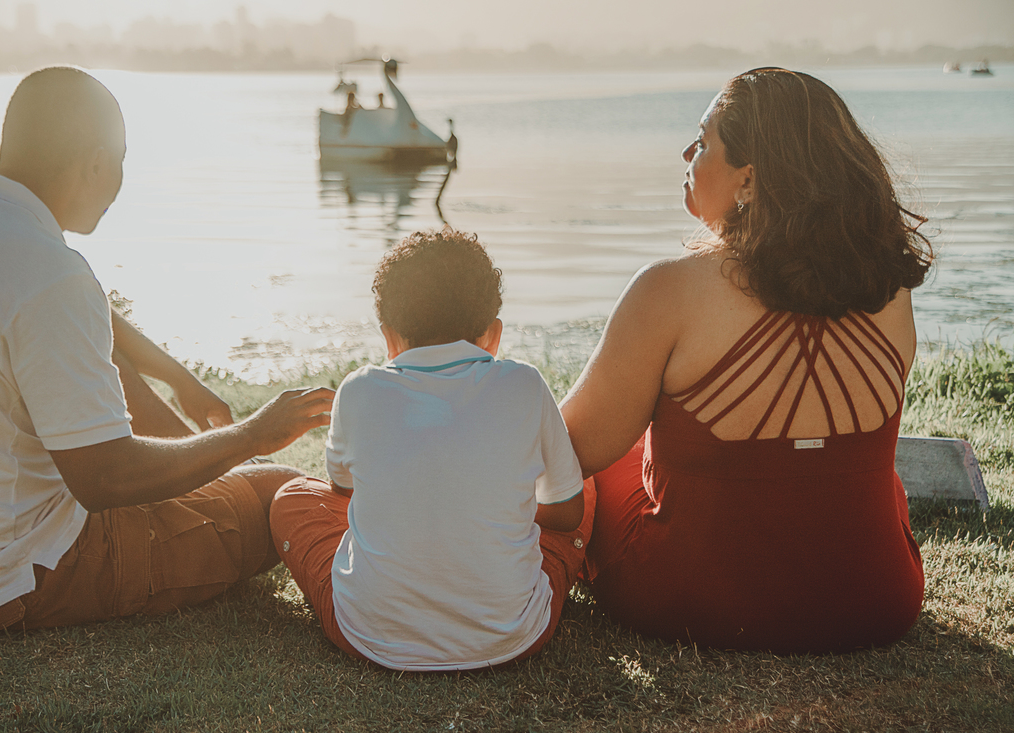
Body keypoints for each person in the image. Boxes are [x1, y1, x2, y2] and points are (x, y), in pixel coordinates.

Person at [0, 66, 334, 631]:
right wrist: (252, 434)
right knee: (281, 490)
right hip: (0, 577)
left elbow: (92, 315)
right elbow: (105, 481)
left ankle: (210, 471)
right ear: (98, 162)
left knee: (140, 395)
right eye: (121, 162)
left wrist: (176, 375)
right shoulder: (50, 272)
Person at [560, 67, 933, 654]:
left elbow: (569, 448)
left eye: (704, 141)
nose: (687, 151)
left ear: (750, 181)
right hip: (876, 603)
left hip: (689, 602)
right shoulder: (888, 285)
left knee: (612, 460)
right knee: (863, 470)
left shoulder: (669, 289)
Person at [270, 229, 595, 670]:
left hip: (368, 636)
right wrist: (496, 506)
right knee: (586, 487)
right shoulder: (525, 384)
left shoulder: (358, 391)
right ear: (493, 335)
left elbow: (343, 493)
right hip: (513, 636)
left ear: (389, 337)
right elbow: (568, 514)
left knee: (291, 500)